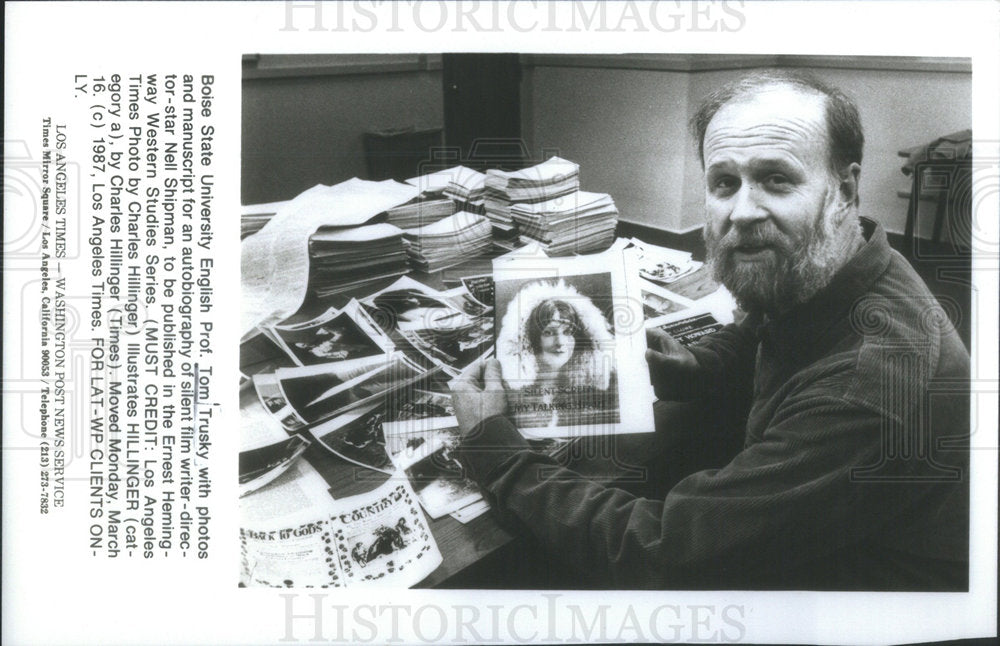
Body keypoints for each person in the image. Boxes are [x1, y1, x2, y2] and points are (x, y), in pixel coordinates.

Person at [450, 70, 970, 590]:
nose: (741, 212)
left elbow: (667, 552)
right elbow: (767, 326)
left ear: (845, 189)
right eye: (724, 182)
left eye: (777, 179)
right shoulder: (840, 262)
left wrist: (495, 450)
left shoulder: (867, 380)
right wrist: (702, 365)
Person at [495, 280, 617, 429]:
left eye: (567, 332)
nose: (560, 342)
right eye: (548, 332)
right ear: (530, 338)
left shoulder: (601, 392)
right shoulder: (506, 391)